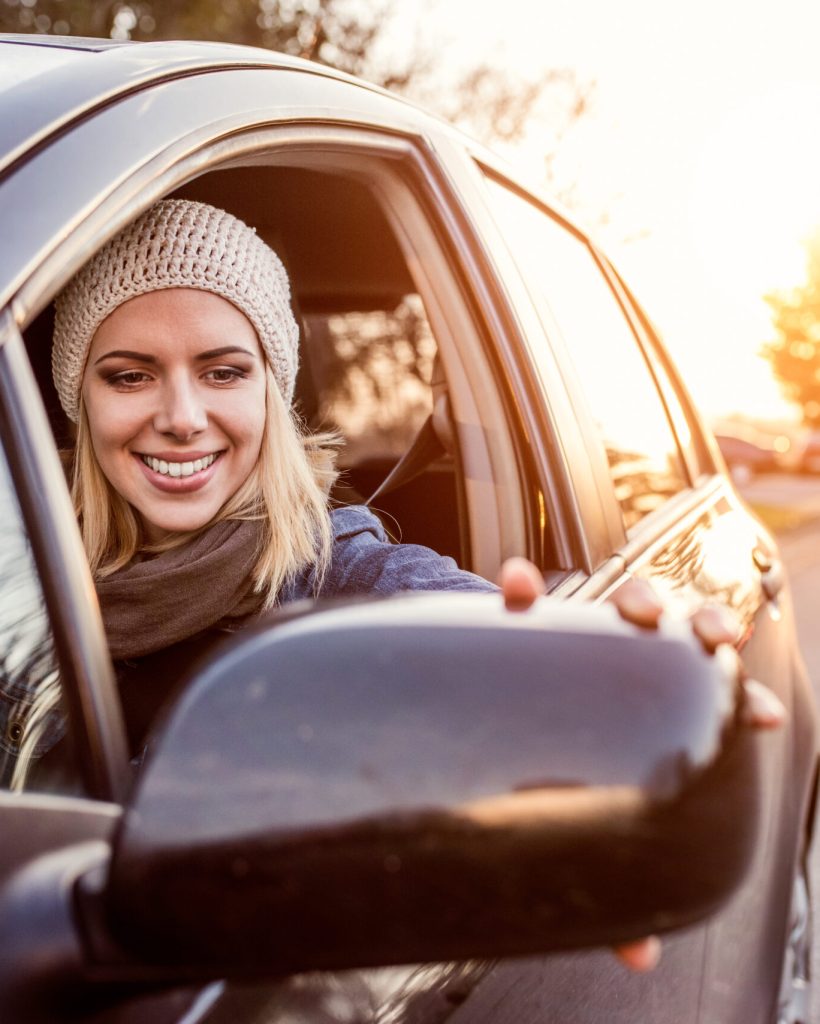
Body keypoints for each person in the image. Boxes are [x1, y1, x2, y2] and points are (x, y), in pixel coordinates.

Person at [52, 198, 783, 973]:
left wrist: (621, 705)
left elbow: (517, 701)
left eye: (224, 372)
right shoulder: (24, 586)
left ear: (273, 387)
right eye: (130, 376)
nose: (182, 416)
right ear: (79, 400)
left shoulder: (356, 579)